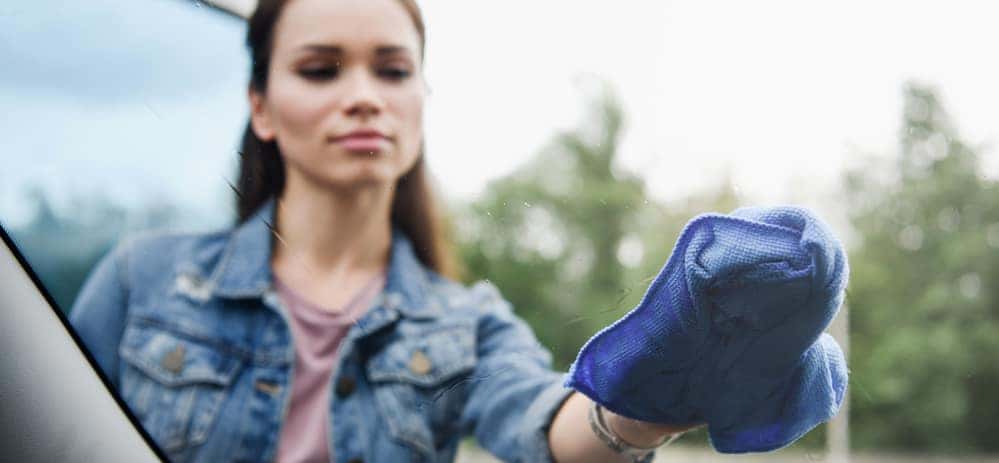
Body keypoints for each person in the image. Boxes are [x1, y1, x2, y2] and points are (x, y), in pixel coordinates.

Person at [70, 0, 845, 462]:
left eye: (391, 68)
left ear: (420, 101)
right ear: (262, 106)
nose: (364, 95)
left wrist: (659, 390)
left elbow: (553, 429)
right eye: (319, 68)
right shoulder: (142, 281)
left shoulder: (466, 323)